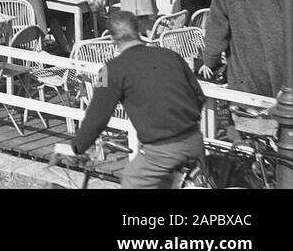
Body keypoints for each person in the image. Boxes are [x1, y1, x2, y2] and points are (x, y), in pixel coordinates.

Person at [70, 11, 205, 189]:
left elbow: (96, 117)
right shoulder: (170, 55)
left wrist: (77, 147)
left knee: (131, 181)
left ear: (111, 38)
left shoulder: (108, 70)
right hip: (194, 140)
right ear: (139, 29)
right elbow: (199, 96)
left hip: (162, 150)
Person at [198, 0, 290, 98]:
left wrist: (209, 61)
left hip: (245, 71)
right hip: (277, 67)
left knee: (247, 114)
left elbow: (216, 32)